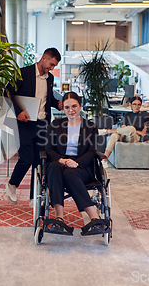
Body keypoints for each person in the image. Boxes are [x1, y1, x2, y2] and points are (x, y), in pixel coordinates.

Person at [5, 48, 63, 205]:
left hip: (43, 123)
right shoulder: (23, 73)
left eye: (54, 66)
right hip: (25, 123)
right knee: (26, 158)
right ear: (44, 58)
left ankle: (34, 196)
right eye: (51, 64)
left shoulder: (49, 79)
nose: (51, 68)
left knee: (40, 161)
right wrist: (18, 111)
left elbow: (47, 99)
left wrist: (57, 104)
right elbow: (7, 93)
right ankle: (12, 184)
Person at [45, 92, 105, 236]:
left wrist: (76, 163)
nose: (71, 110)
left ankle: (94, 217)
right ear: (63, 109)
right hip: (59, 162)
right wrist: (61, 159)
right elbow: (48, 148)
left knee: (69, 172)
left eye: (74, 106)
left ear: (80, 106)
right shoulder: (56, 125)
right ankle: (59, 217)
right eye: (67, 107)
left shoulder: (90, 127)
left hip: (82, 167)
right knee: (53, 167)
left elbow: (91, 151)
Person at [103, 95, 149, 161]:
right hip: (125, 136)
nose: (136, 106)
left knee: (131, 129)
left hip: (135, 137)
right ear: (130, 105)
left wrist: (136, 131)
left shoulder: (146, 115)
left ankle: (106, 131)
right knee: (114, 135)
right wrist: (137, 131)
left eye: (139, 104)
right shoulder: (127, 114)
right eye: (134, 104)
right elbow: (123, 128)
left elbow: (144, 132)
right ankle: (104, 160)